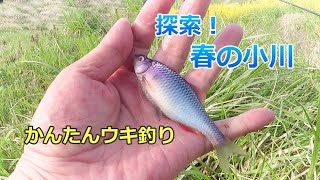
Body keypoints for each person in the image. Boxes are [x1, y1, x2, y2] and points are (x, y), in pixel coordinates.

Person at [9, 0, 275, 179]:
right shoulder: (147, 75)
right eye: (141, 60)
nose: (139, 61)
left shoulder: (150, 74)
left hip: (181, 107)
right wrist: (41, 170)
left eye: (142, 60)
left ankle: (220, 142)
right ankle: (220, 141)